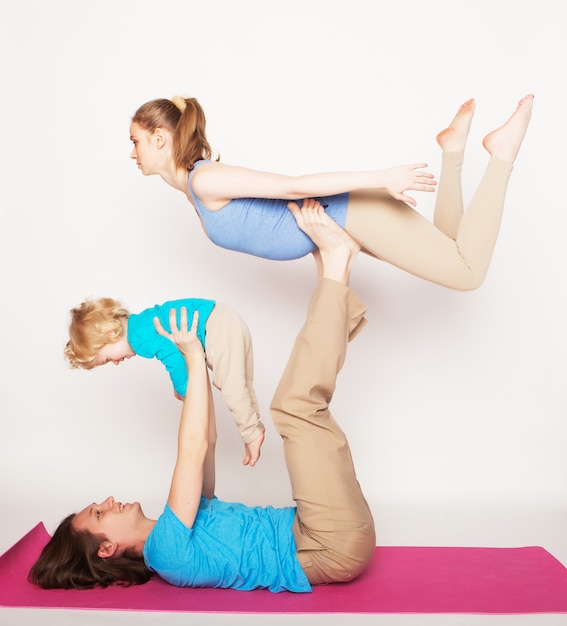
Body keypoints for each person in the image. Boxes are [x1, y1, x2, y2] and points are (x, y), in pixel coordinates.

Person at [29, 200, 376, 592]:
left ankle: (337, 270)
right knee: (295, 408)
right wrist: (192, 356)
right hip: (327, 544)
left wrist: (199, 366)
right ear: (107, 547)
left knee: (294, 406)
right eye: (98, 512)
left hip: (318, 524)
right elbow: (191, 450)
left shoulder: (182, 523)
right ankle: (335, 269)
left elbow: (205, 442)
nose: (108, 500)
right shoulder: (165, 553)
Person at [129, 94, 533, 290]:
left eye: (136, 141)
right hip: (345, 224)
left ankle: (501, 155)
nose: (133, 153)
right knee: (451, 248)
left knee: (467, 273)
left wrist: (380, 177)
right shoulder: (196, 192)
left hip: (353, 213)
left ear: (161, 138)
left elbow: (294, 185)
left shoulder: (205, 180)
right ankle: (453, 150)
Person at [65, 296, 264, 466]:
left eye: (108, 358)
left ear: (111, 335)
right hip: (224, 316)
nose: (116, 362)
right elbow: (174, 351)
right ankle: (254, 424)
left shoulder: (137, 338)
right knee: (241, 382)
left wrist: (184, 390)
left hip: (215, 325)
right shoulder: (141, 322)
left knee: (231, 386)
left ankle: (251, 433)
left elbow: (172, 357)